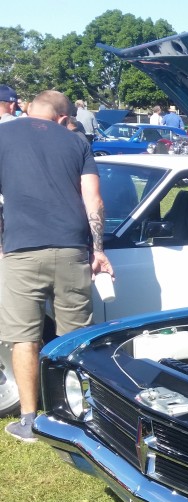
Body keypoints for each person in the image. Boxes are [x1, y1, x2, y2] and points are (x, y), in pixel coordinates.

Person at [0, 90, 114, 442]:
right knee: (76, 338)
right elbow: (93, 200)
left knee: (24, 338)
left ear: (28, 107)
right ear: (63, 117)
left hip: (20, 252)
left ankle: (30, 420)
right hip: (71, 250)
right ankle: (76, 414)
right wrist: (98, 249)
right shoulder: (77, 142)